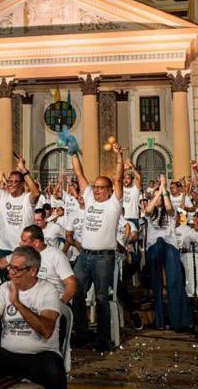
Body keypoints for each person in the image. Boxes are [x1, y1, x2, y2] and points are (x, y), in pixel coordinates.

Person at [0, 246, 65, 389]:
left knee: (54, 372)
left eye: (16, 269)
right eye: (10, 268)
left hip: (41, 355)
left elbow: (46, 330)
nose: (11, 273)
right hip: (8, 354)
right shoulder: (4, 288)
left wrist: (17, 303)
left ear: (32, 270)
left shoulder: (48, 290)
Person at [68, 143, 124, 352]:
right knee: (76, 293)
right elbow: (79, 172)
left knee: (101, 298)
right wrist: (73, 151)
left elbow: (118, 179)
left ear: (110, 191)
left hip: (103, 258)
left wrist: (118, 157)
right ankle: (81, 334)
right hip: (85, 255)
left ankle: (103, 338)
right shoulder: (89, 198)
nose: (97, 190)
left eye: (102, 188)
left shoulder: (114, 204)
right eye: (96, 187)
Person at [143, 174, 191, 331]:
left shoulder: (171, 212)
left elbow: (169, 208)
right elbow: (149, 209)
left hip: (169, 246)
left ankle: (179, 321)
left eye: (162, 196)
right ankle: (160, 322)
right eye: (157, 196)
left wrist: (163, 187)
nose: (159, 199)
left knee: (174, 282)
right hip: (154, 248)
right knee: (156, 285)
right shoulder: (150, 212)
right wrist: (158, 191)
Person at [0, 153, 40, 263]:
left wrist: (23, 169)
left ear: (22, 184)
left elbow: (36, 193)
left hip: (23, 249)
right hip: (3, 248)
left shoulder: (27, 198)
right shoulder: (2, 196)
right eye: (10, 181)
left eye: (16, 181)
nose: (11, 184)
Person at [19, 225, 76, 305]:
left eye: (24, 241)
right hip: (31, 301)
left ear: (36, 243)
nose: (20, 243)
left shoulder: (56, 255)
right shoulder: (23, 256)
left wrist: (61, 304)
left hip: (53, 301)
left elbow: (71, 283)